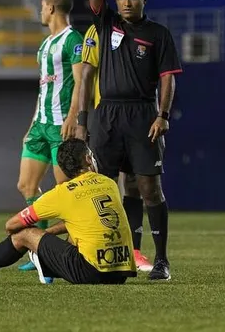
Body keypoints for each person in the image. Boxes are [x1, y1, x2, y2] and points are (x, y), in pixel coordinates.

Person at [75, 0, 182, 281]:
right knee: (103, 184)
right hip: (107, 115)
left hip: (142, 113)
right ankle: (107, 252)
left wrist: (163, 115)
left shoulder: (158, 34)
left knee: (148, 186)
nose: (125, 2)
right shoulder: (105, 23)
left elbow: (168, 77)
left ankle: (162, 259)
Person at [0, 138, 137, 285]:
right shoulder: (108, 183)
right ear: (87, 159)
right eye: (92, 155)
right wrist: (47, 235)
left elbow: (11, 226)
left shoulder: (62, 193)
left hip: (91, 273)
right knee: (76, 231)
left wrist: (35, 237)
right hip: (121, 273)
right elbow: (90, 220)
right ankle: (45, 263)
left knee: (24, 234)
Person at [15, 0, 84, 272]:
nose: (41, 12)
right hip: (40, 126)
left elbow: (82, 82)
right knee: (26, 185)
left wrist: (73, 117)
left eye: (43, 7)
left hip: (60, 126)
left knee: (66, 191)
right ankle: (38, 246)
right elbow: (43, 87)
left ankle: (73, 248)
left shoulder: (73, 40)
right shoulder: (45, 45)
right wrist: (32, 122)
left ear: (51, 8)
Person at [79, 24, 153, 272]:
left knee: (133, 184)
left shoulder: (146, 32)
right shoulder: (96, 31)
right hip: (106, 119)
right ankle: (98, 247)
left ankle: (134, 251)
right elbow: (87, 75)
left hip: (135, 117)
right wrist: (82, 119)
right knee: (100, 184)